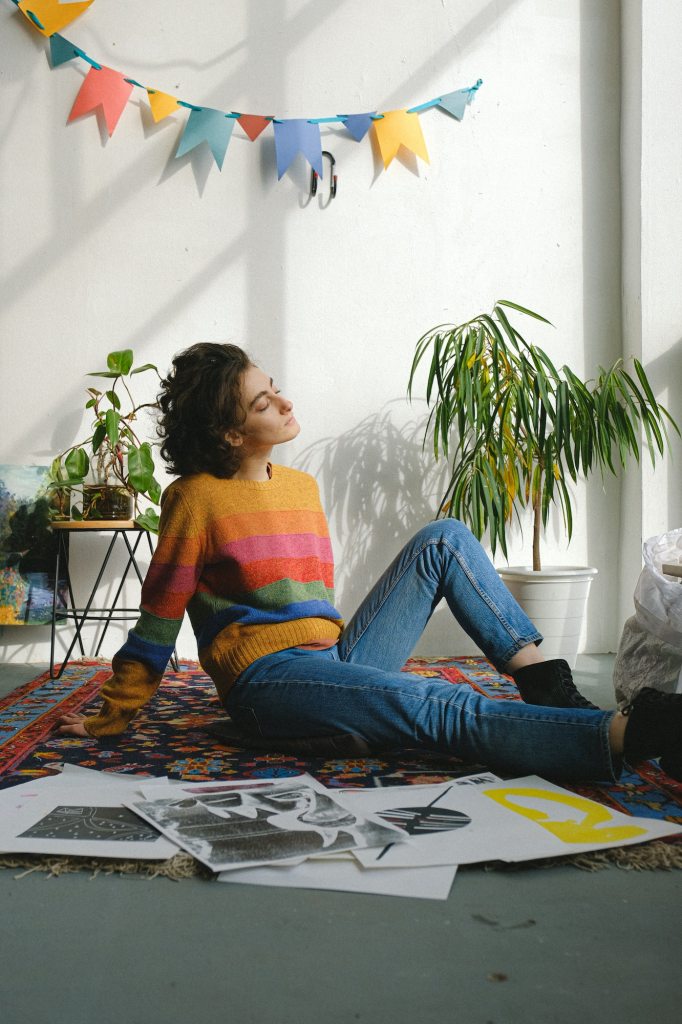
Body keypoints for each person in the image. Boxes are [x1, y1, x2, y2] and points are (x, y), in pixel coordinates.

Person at [56, 343, 682, 783]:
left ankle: (554, 691)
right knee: (433, 703)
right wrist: (115, 713)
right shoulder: (193, 499)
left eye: (273, 387)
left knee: (444, 538)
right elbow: (160, 618)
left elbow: (311, 605)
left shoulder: (299, 485)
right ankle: (623, 735)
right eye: (262, 402)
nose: (282, 400)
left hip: (333, 656)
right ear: (228, 434)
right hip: (267, 683)